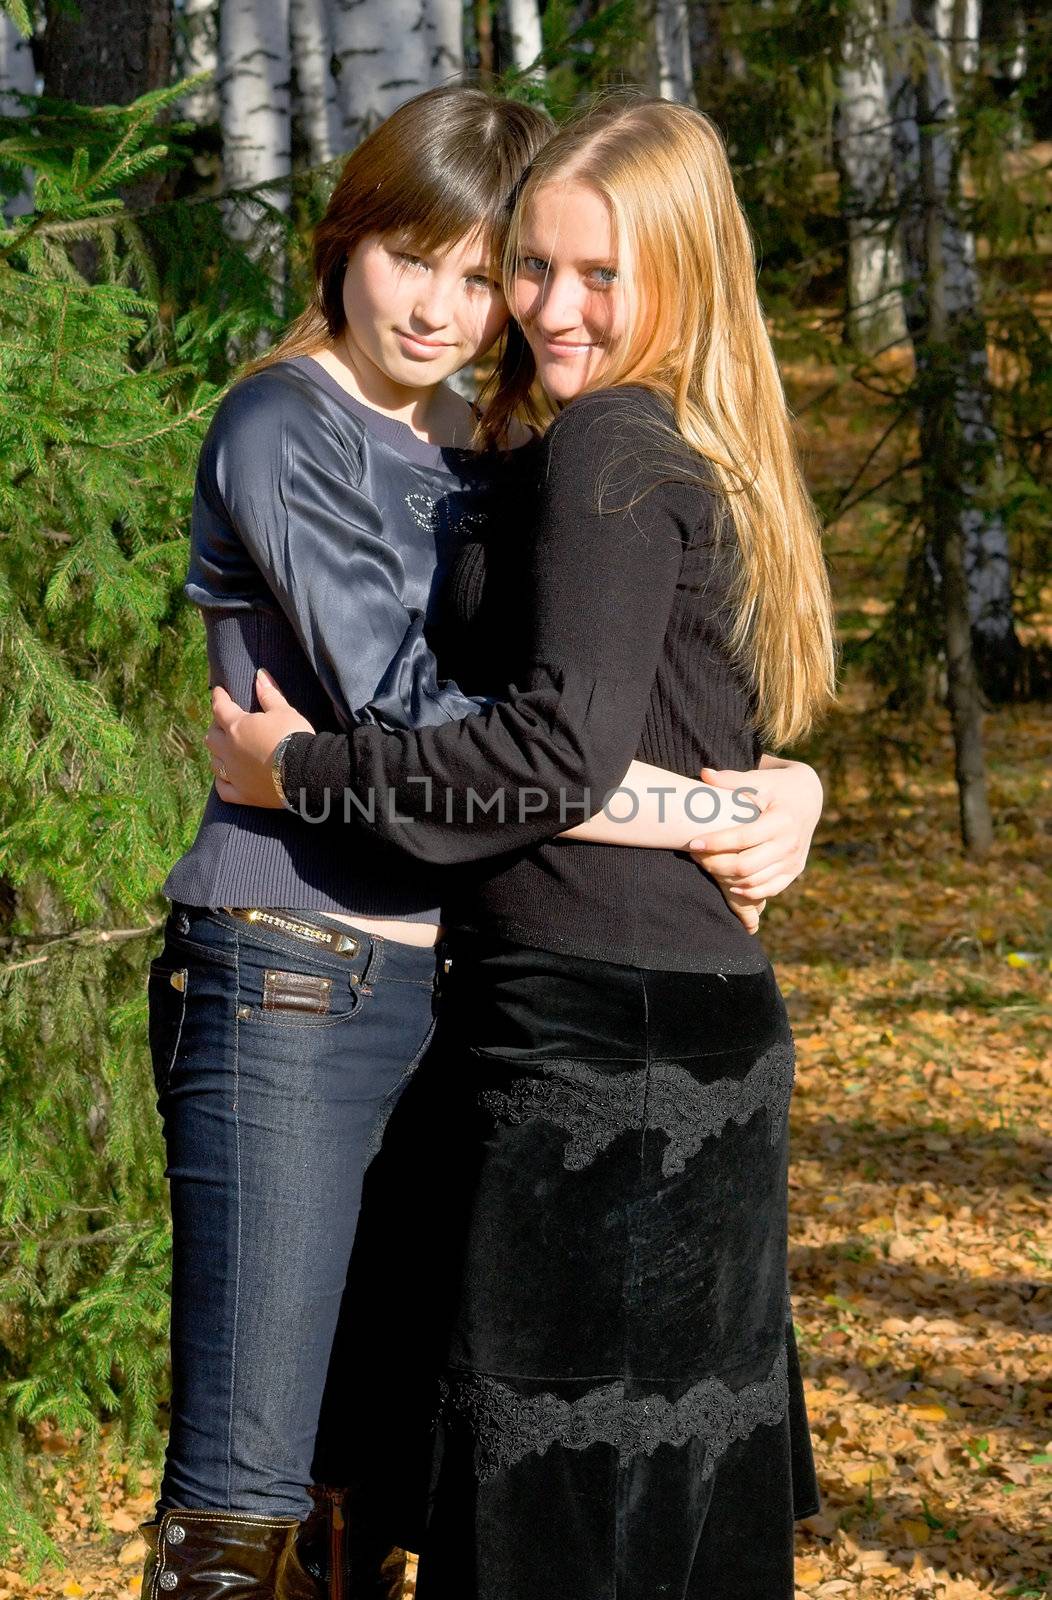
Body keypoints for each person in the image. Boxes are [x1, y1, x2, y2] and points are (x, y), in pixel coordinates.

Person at [144, 86, 823, 1600]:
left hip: (455, 995)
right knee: (254, 1479)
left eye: (484, 271)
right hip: (290, 976)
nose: (456, 309)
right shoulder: (285, 421)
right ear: (341, 244)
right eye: (415, 260)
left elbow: (599, 693)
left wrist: (780, 789)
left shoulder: (497, 432)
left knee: (377, 1468)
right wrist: (712, 804)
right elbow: (453, 720)